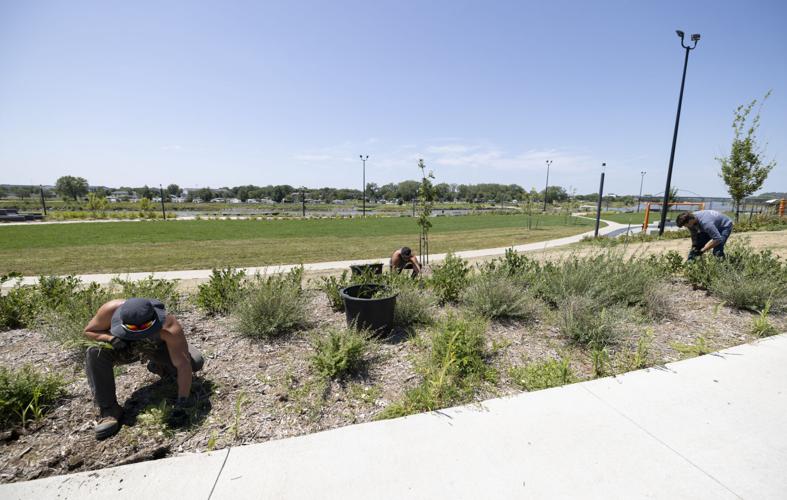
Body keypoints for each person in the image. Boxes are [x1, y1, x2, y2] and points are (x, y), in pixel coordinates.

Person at [83, 297, 203, 439]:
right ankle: (109, 410)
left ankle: (160, 365)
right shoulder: (110, 310)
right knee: (94, 352)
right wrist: (110, 338)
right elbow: (89, 331)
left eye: (144, 328)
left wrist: (183, 401)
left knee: (195, 361)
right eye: (133, 329)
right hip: (123, 347)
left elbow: (183, 365)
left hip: (157, 347)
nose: (138, 332)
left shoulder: (168, 324)